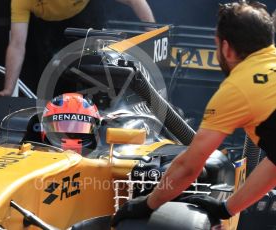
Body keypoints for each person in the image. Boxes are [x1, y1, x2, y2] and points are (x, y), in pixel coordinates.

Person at [112, 1, 276, 226]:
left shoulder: (237, 88)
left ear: (226, 48)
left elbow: (189, 166)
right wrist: (228, 208)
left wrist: (147, 203)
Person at [0, 0, 156, 98]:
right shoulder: (21, 1)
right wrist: (8, 89)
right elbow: (16, 45)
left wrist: (153, 36)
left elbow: (135, 1)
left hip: (87, 18)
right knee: (54, 86)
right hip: (50, 30)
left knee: (96, 79)